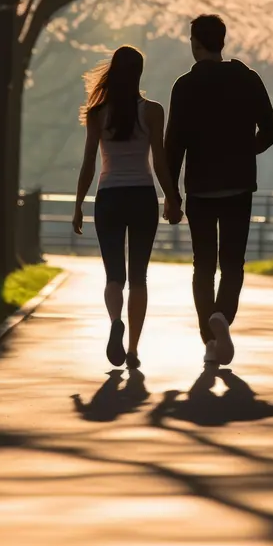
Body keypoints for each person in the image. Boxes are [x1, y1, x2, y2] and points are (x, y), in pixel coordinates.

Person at [164, 14, 273, 366]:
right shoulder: (248, 79)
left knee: (203, 267)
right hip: (239, 186)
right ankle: (222, 317)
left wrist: (172, 196)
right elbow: (271, 130)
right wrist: (246, 151)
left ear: (195, 43)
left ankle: (210, 339)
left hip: (200, 188)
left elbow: (174, 146)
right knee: (232, 265)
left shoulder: (184, 85)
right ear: (223, 41)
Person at [73, 45, 182, 370]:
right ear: (139, 73)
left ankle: (115, 321)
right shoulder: (152, 110)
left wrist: (79, 204)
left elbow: (88, 163)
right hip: (142, 197)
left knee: (114, 276)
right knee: (139, 277)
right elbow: (160, 161)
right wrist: (173, 198)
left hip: (109, 197)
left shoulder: (98, 112)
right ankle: (133, 350)